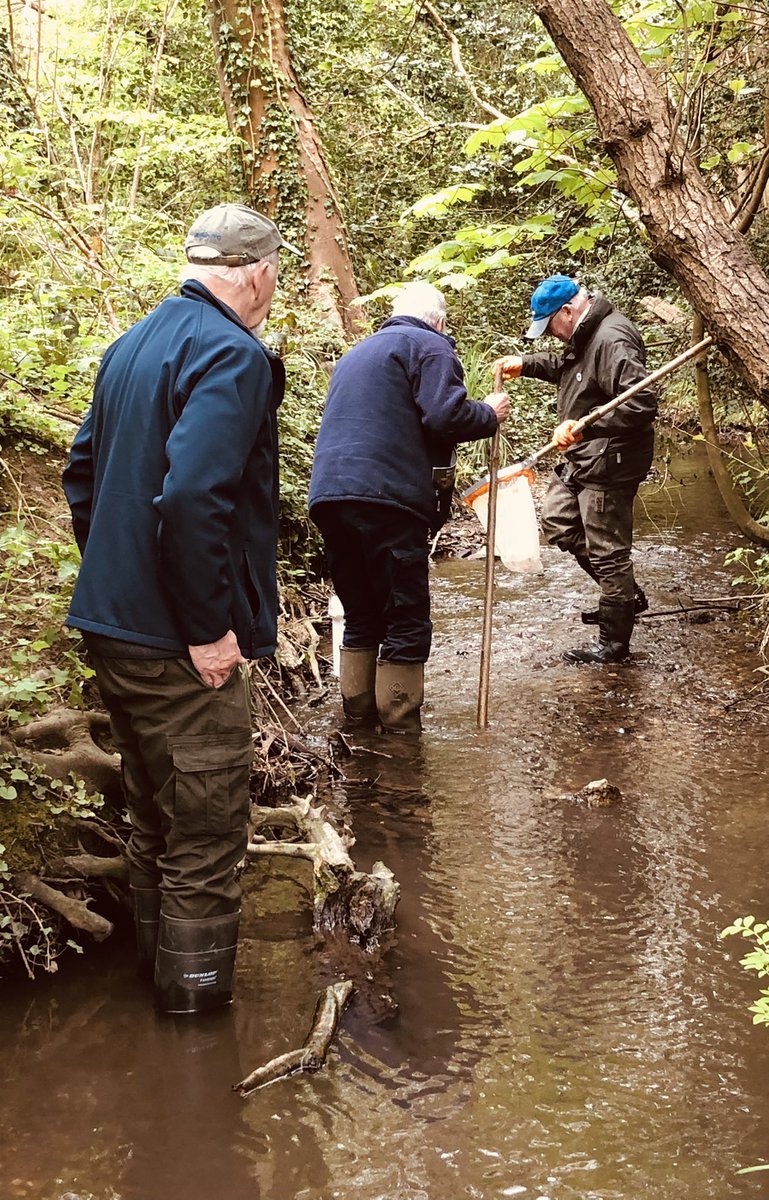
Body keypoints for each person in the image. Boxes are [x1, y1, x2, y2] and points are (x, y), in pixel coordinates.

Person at [62, 202, 291, 1014]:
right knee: (203, 835)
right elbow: (195, 497)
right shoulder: (233, 355)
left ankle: (155, 1001)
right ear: (258, 273)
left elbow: (82, 475)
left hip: (113, 626)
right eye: (276, 276)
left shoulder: (131, 344)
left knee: (155, 818)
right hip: (175, 640)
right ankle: (193, 1039)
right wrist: (206, 627)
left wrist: (117, 577)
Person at [308, 281, 510, 732]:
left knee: (361, 614)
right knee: (405, 617)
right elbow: (445, 417)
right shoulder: (430, 346)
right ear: (439, 321)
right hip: (387, 499)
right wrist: (489, 413)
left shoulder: (358, 353)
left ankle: (358, 726)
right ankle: (400, 738)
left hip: (330, 496)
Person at [494, 274, 657, 664]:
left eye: (550, 325)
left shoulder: (613, 338)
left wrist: (585, 425)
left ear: (568, 311)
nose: (550, 334)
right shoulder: (584, 335)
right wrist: (526, 365)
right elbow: (569, 367)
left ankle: (613, 644)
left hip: (610, 459)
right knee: (558, 521)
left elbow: (641, 403)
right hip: (584, 456)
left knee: (608, 554)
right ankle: (622, 593)